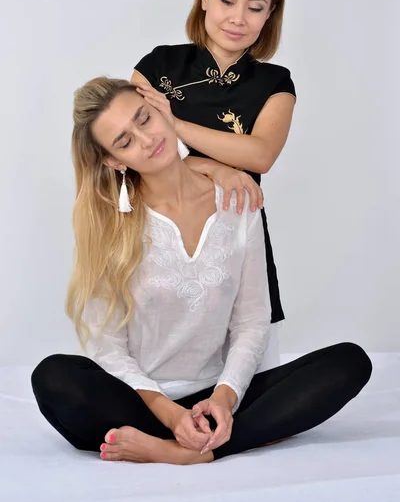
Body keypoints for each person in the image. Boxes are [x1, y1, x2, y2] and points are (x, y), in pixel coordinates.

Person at [31, 78, 372, 465]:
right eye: (124, 142)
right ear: (114, 161)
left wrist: (225, 398)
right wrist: (170, 413)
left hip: (217, 394)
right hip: (139, 400)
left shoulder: (236, 199)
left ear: (160, 108)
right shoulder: (108, 222)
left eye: (144, 119)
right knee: (54, 378)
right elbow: (105, 344)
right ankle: (208, 441)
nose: (146, 139)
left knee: (349, 361)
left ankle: (180, 450)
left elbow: (252, 321)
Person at [131, 0, 297, 370]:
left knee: (252, 387)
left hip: (237, 242)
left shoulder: (276, 83)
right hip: (159, 243)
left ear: (270, 15)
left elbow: (259, 156)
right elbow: (134, 152)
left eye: (256, 7)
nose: (238, 18)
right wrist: (211, 165)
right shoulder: (158, 67)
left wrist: (175, 126)